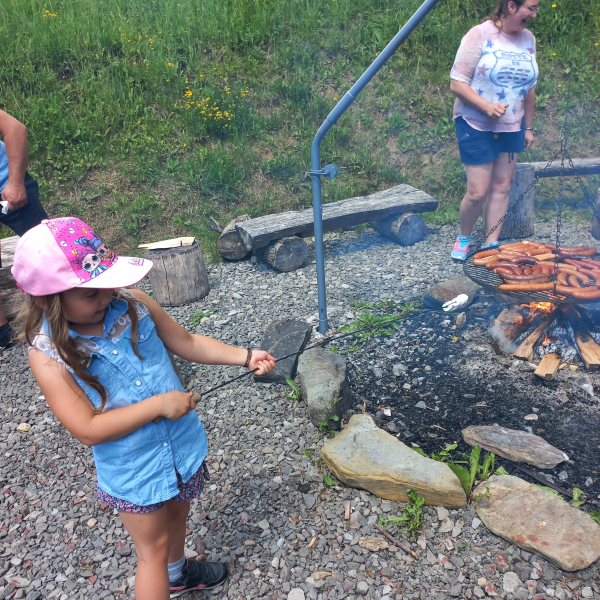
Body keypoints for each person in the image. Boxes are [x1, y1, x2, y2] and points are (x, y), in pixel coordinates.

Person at [13, 217, 276, 600]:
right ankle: (165, 573)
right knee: (152, 552)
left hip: (180, 447)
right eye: (90, 294)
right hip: (136, 469)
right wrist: (158, 405)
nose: (106, 297)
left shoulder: (134, 303)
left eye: (108, 284)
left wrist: (246, 356)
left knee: (178, 515)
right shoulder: (48, 355)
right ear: (45, 299)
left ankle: (177, 575)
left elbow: (187, 342)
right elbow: (87, 429)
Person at [449, 0, 539, 261]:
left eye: (537, 8)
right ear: (511, 6)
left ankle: (491, 243)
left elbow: (529, 89)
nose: (534, 15)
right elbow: (457, 84)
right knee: (478, 191)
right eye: (531, 8)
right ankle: (464, 237)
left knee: (502, 186)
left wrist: (528, 126)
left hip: (512, 125)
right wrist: (486, 106)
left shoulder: (528, 39)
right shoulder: (480, 34)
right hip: (476, 123)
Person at [0, 109, 48, 346]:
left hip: (5, 183)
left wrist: (16, 183)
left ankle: (84, 304)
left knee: (46, 248)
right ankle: (3, 333)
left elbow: (15, 129)